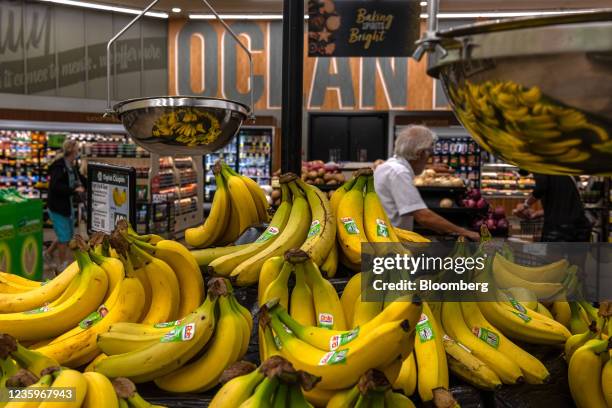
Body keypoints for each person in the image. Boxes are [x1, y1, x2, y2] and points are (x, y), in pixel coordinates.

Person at [374, 125, 480, 241]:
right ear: (420, 153)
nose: (428, 159)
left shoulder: (389, 167)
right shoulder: (399, 173)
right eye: (430, 154)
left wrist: (431, 168)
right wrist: (464, 232)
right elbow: (422, 216)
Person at [513, 173, 591, 242]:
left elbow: (541, 188)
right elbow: (564, 204)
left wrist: (525, 204)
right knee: (576, 258)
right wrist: (537, 213)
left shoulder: (541, 166)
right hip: (579, 226)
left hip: (559, 229)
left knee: (554, 257)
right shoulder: (566, 173)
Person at [46, 140, 85, 271]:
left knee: (65, 235)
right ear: (72, 150)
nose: (78, 151)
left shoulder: (71, 166)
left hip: (66, 205)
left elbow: (80, 179)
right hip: (58, 206)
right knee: (64, 238)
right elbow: (55, 186)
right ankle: (62, 265)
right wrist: (73, 190)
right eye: (77, 149)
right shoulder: (59, 166)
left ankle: (48, 254)